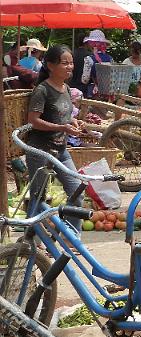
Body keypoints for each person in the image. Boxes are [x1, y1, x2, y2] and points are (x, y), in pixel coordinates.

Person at [26, 45, 84, 232]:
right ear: (50, 65)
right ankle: (31, 237)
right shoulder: (42, 90)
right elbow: (33, 121)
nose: (69, 67)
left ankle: (71, 236)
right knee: (39, 195)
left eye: (71, 63)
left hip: (61, 150)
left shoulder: (66, 88)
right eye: (64, 63)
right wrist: (61, 127)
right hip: (40, 151)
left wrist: (74, 122)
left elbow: (64, 115)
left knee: (77, 192)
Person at [80, 30, 113, 97]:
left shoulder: (89, 59)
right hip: (108, 93)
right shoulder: (110, 59)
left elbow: (85, 80)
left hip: (94, 93)